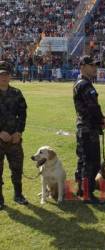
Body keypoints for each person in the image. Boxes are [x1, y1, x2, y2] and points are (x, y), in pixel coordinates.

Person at [73, 55, 105, 204]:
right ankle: (88, 194)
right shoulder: (85, 85)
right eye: (92, 65)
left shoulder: (80, 83)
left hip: (83, 127)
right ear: (83, 66)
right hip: (88, 128)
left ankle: (81, 189)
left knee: (83, 160)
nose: (95, 68)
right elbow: (93, 107)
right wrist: (102, 120)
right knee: (91, 162)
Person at [0, 61, 29, 210]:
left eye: (6, 74)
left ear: (10, 76)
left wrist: (18, 132)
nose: (3, 77)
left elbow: (23, 114)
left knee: (17, 168)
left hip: (14, 139)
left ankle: (18, 195)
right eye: (1, 75)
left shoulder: (17, 93)